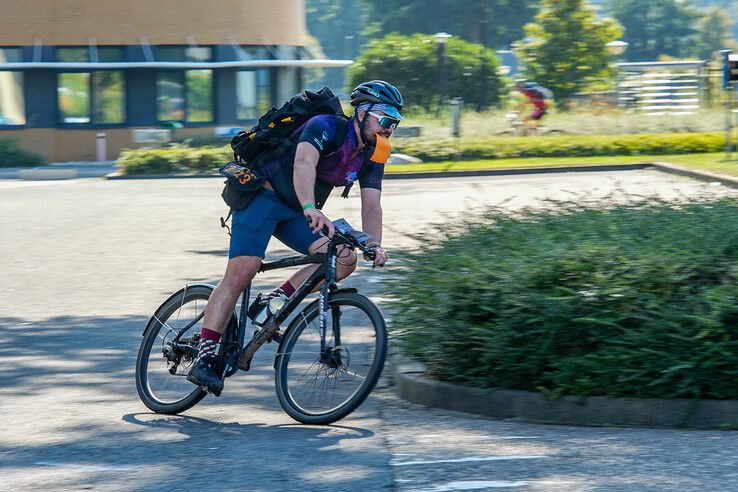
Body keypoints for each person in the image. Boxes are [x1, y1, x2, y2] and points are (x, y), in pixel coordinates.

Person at [187, 80, 403, 394]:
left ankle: (274, 300)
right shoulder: (326, 126)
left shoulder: (375, 151)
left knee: (343, 260)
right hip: (262, 198)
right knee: (243, 271)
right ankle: (205, 357)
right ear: (362, 112)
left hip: (296, 211)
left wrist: (373, 243)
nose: (389, 128)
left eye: (395, 123)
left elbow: (372, 201)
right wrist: (308, 207)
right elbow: (304, 163)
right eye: (385, 119)